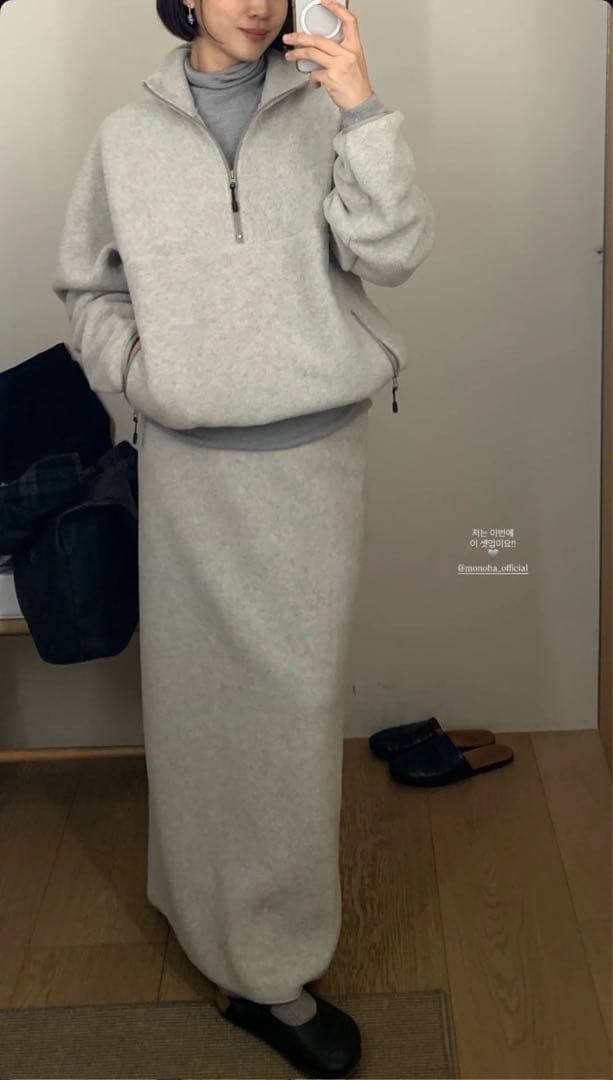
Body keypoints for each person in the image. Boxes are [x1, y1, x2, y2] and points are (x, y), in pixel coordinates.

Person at [51, 1, 435, 1074]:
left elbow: (394, 255)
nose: (256, 2)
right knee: (194, 711)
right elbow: (88, 283)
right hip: (187, 466)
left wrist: (362, 108)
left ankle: (270, 967)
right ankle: (204, 913)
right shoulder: (125, 138)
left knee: (290, 719)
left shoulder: (325, 112)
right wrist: (142, 376)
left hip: (312, 461)